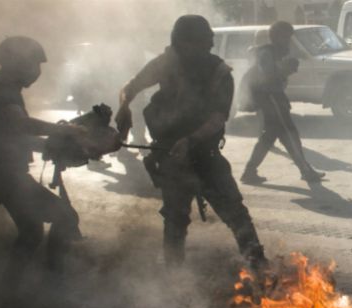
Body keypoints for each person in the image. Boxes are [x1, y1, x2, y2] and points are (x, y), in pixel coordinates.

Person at [115, 15, 268, 270]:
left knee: (236, 215)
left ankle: (259, 268)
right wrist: (124, 107)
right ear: (183, 42)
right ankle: (174, 277)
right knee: (175, 220)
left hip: (205, 155)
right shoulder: (165, 63)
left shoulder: (219, 72)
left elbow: (218, 119)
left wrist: (190, 140)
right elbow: (131, 86)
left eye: (210, 41)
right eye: (203, 41)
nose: (209, 47)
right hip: (170, 156)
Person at [0, 36, 97, 290]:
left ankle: (12, 288)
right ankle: (53, 284)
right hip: (3, 175)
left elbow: (11, 136)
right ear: (18, 63)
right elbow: (20, 125)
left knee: (32, 231)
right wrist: (65, 131)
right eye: (35, 64)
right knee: (65, 218)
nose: (37, 72)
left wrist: (54, 146)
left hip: (0, 173)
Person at [240, 21, 326, 185]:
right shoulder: (267, 53)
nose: (289, 39)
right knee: (289, 133)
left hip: (273, 98)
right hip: (271, 98)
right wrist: (285, 69)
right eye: (287, 36)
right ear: (278, 36)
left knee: (272, 136)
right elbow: (268, 77)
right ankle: (305, 171)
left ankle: (250, 172)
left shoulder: (275, 52)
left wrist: (285, 70)